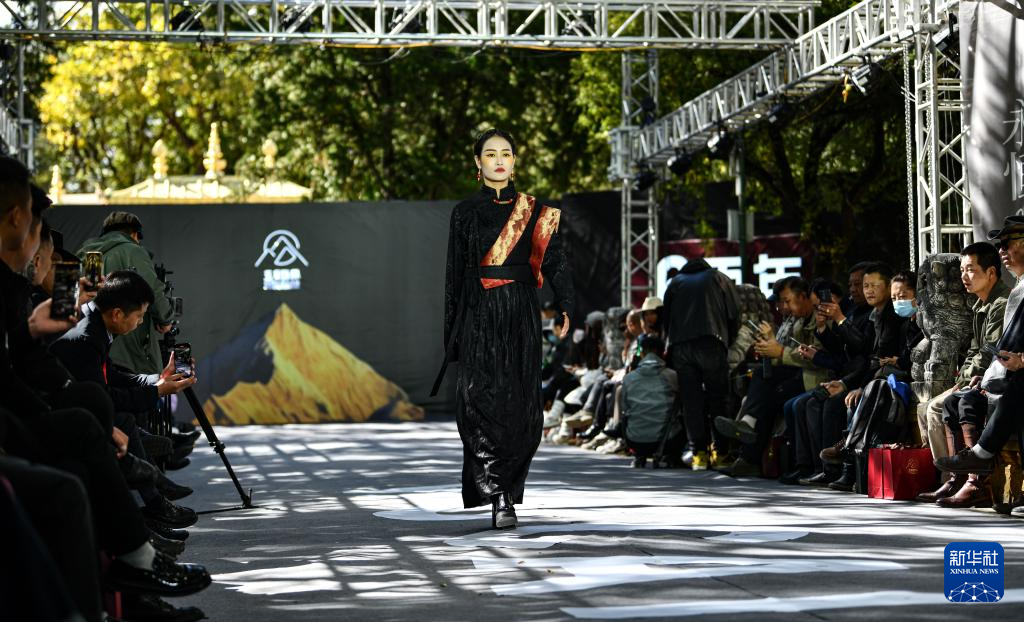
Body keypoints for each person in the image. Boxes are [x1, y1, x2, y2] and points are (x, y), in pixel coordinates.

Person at [435, 129, 574, 530]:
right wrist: (453, 335)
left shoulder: (535, 211)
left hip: (521, 315)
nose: (499, 160)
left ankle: (509, 489)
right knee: (480, 405)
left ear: (514, 162)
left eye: (506, 154)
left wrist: (565, 303)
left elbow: (556, 261)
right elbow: (454, 276)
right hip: (479, 314)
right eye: (490, 154)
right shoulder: (465, 213)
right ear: (477, 162)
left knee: (523, 410)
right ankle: (498, 495)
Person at [917, 243, 1010, 503]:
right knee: (942, 403)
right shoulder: (981, 304)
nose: (963, 277)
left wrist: (965, 380)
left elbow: (988, 352)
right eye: (961, 270)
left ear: (991, 272)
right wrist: (962, 379)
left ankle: (967, 480)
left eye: (970, 269)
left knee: (939, 406)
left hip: (995, 379)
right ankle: (955, 479)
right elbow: (973, 350)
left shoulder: (1001, 303)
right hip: (978, 376)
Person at [662, 256, 740, 470]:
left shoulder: (675, 282)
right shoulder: (718, 278)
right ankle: (721, 453)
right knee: (718, 399)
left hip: (681, 347)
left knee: (691, 402)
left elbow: (666, 319)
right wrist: (728, 341)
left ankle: (699, 454)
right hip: (712, 342)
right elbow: (734, 313)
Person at [77, 211, 174, 375]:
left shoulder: (85, 254)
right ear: (135, 234)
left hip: (91, 347)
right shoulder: (133, 251)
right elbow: (153, 290)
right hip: (130, 352)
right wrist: (165, 319)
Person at [620, 334, 682, 468]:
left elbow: (624, 409)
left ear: (641, 353)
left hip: (635, 441)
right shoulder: (672, 375)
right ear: (663, 353)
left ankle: (639, 456)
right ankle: (671, 456)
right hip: (668, 441)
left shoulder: (628, 378)